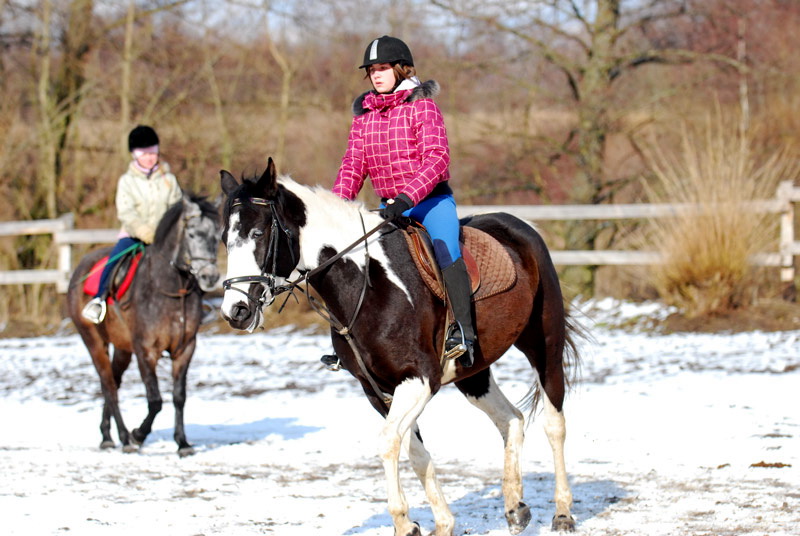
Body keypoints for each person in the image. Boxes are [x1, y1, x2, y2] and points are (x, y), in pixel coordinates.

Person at [331, 35, 476, 367]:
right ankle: (347, 342)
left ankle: (463, 333)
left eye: (382, 68)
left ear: (400, 68)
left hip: (429, 203)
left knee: (446, 248)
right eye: (371, 70)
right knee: (349, 259)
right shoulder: (364, 117)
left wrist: (407, 196)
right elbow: (353, 165)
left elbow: (437, 159)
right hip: (389, 207)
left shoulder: (422, 106)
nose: (376, 75)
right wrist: (335, 207)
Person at [81, 125, 182, 324]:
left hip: (165, 237)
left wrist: (167, 231)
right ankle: (98, 299)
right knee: (114, 261)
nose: (150, 157)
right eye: (145, 153)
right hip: (133, 236)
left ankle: (196, 303)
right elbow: (126, 212)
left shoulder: (169, 180)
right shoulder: (126, 181)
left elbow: (176, 207)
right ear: (135, 155)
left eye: (153, 152)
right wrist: (144, 231)